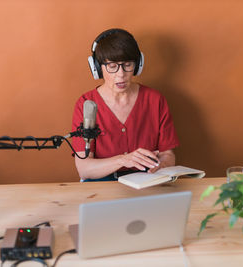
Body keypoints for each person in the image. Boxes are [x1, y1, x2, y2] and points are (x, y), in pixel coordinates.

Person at [71, 28, 179, 182]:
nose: (121, 74)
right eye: (112, 66)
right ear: (97, 68)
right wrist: (123, 160)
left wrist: (161, 166)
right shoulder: (86, 103)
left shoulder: (155, 100)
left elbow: (167, 154)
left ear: (138, 65)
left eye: (127, 64)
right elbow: (84, 169)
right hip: (101, 184)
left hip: (146, 180)